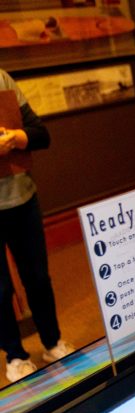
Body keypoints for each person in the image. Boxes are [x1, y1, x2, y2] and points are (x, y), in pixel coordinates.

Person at [0, 69, 73, 383]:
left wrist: (16, 138)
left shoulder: (2, 79)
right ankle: (15, 357)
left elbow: (41, 134)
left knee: (38, 278)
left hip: (23, 196)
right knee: (0, 289)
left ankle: (52, 342)